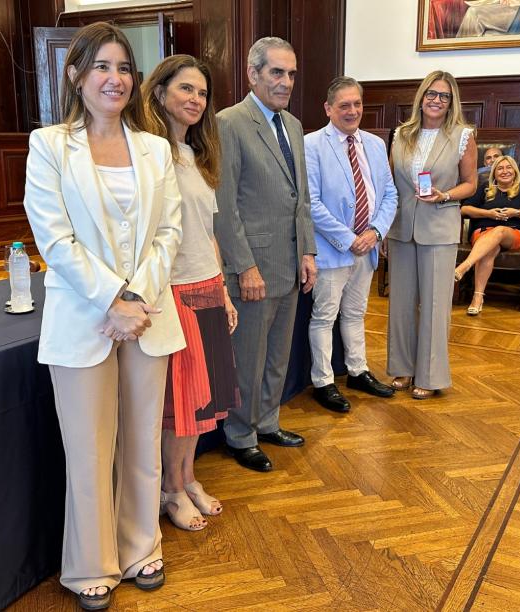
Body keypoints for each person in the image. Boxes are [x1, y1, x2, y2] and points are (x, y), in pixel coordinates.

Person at [23, 22, 183, 609]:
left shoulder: (156, 148)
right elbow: (55, 239)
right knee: (89, 448)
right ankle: (90, 563)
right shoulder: (48, 145)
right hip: (83, 317)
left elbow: (169, 232)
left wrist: (134, 302)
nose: (114, 79)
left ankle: (141, 546)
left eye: (123, 68)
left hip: (146, 317)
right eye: (101, 67)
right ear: (75, 75)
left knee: (142, 439)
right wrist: (112, 299)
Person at [142, 55, 240, 530]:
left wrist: (223, 290)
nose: (196, 100)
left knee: (201, 404)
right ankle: (171, 489)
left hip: (206, 286)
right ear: (159, 93)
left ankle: (187, 476)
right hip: (174, 291)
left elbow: (208, 233)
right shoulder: (149, 155)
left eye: (202, 93)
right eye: (186, 89)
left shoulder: (197, 157)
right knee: (178, 407)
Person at [213, 37, 317, 473]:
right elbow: (225, 205)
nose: (286, 82)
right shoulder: (229, 123)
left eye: (291, 73)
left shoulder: (293, 124)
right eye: (277, 72)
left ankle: (269, 421)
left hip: (291, 263)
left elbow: (301, 197)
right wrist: (244, 267)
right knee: (248, 359)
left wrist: (308, 251)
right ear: (252, 74)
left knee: (278, 355)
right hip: (253, 268)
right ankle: (241, 435)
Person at [304, 76, 397, 413]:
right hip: (332, 248)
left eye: (357, 104)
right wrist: (348, 239)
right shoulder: (312, 145)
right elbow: (311, 203)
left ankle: (358, 371)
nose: (353, 110)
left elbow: (389, 194)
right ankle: (323, 382)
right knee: (324, 316)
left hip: (368, 245)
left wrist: (376, 232)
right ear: (328, 109)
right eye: (344, 105)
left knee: (356, 313)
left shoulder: (375, 144)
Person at [386, 70, 477, 400]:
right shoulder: (401, 134)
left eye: (444, 96)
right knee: (401, 302)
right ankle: (402, 367)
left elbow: (471, 184)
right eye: (431, 94)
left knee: (435, 305)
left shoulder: (463, 135)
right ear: (421, 97)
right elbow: (391, 183)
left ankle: (430, 374)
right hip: (401, 228)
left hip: (439, 228)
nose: (436, 100)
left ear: (452, 102)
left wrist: (445, 195)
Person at [455, 155, 520, 315]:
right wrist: (488, 213)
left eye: (509, 167)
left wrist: (516, 212)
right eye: (500, 168)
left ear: (515, 171)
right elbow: (465, 209)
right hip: (483, 232)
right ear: (494, 173)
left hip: (514, 233)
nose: (505, 171)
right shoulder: (485, 188)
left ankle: (465, 266)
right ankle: (477, 298)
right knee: (489, 250)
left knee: (499, 230)